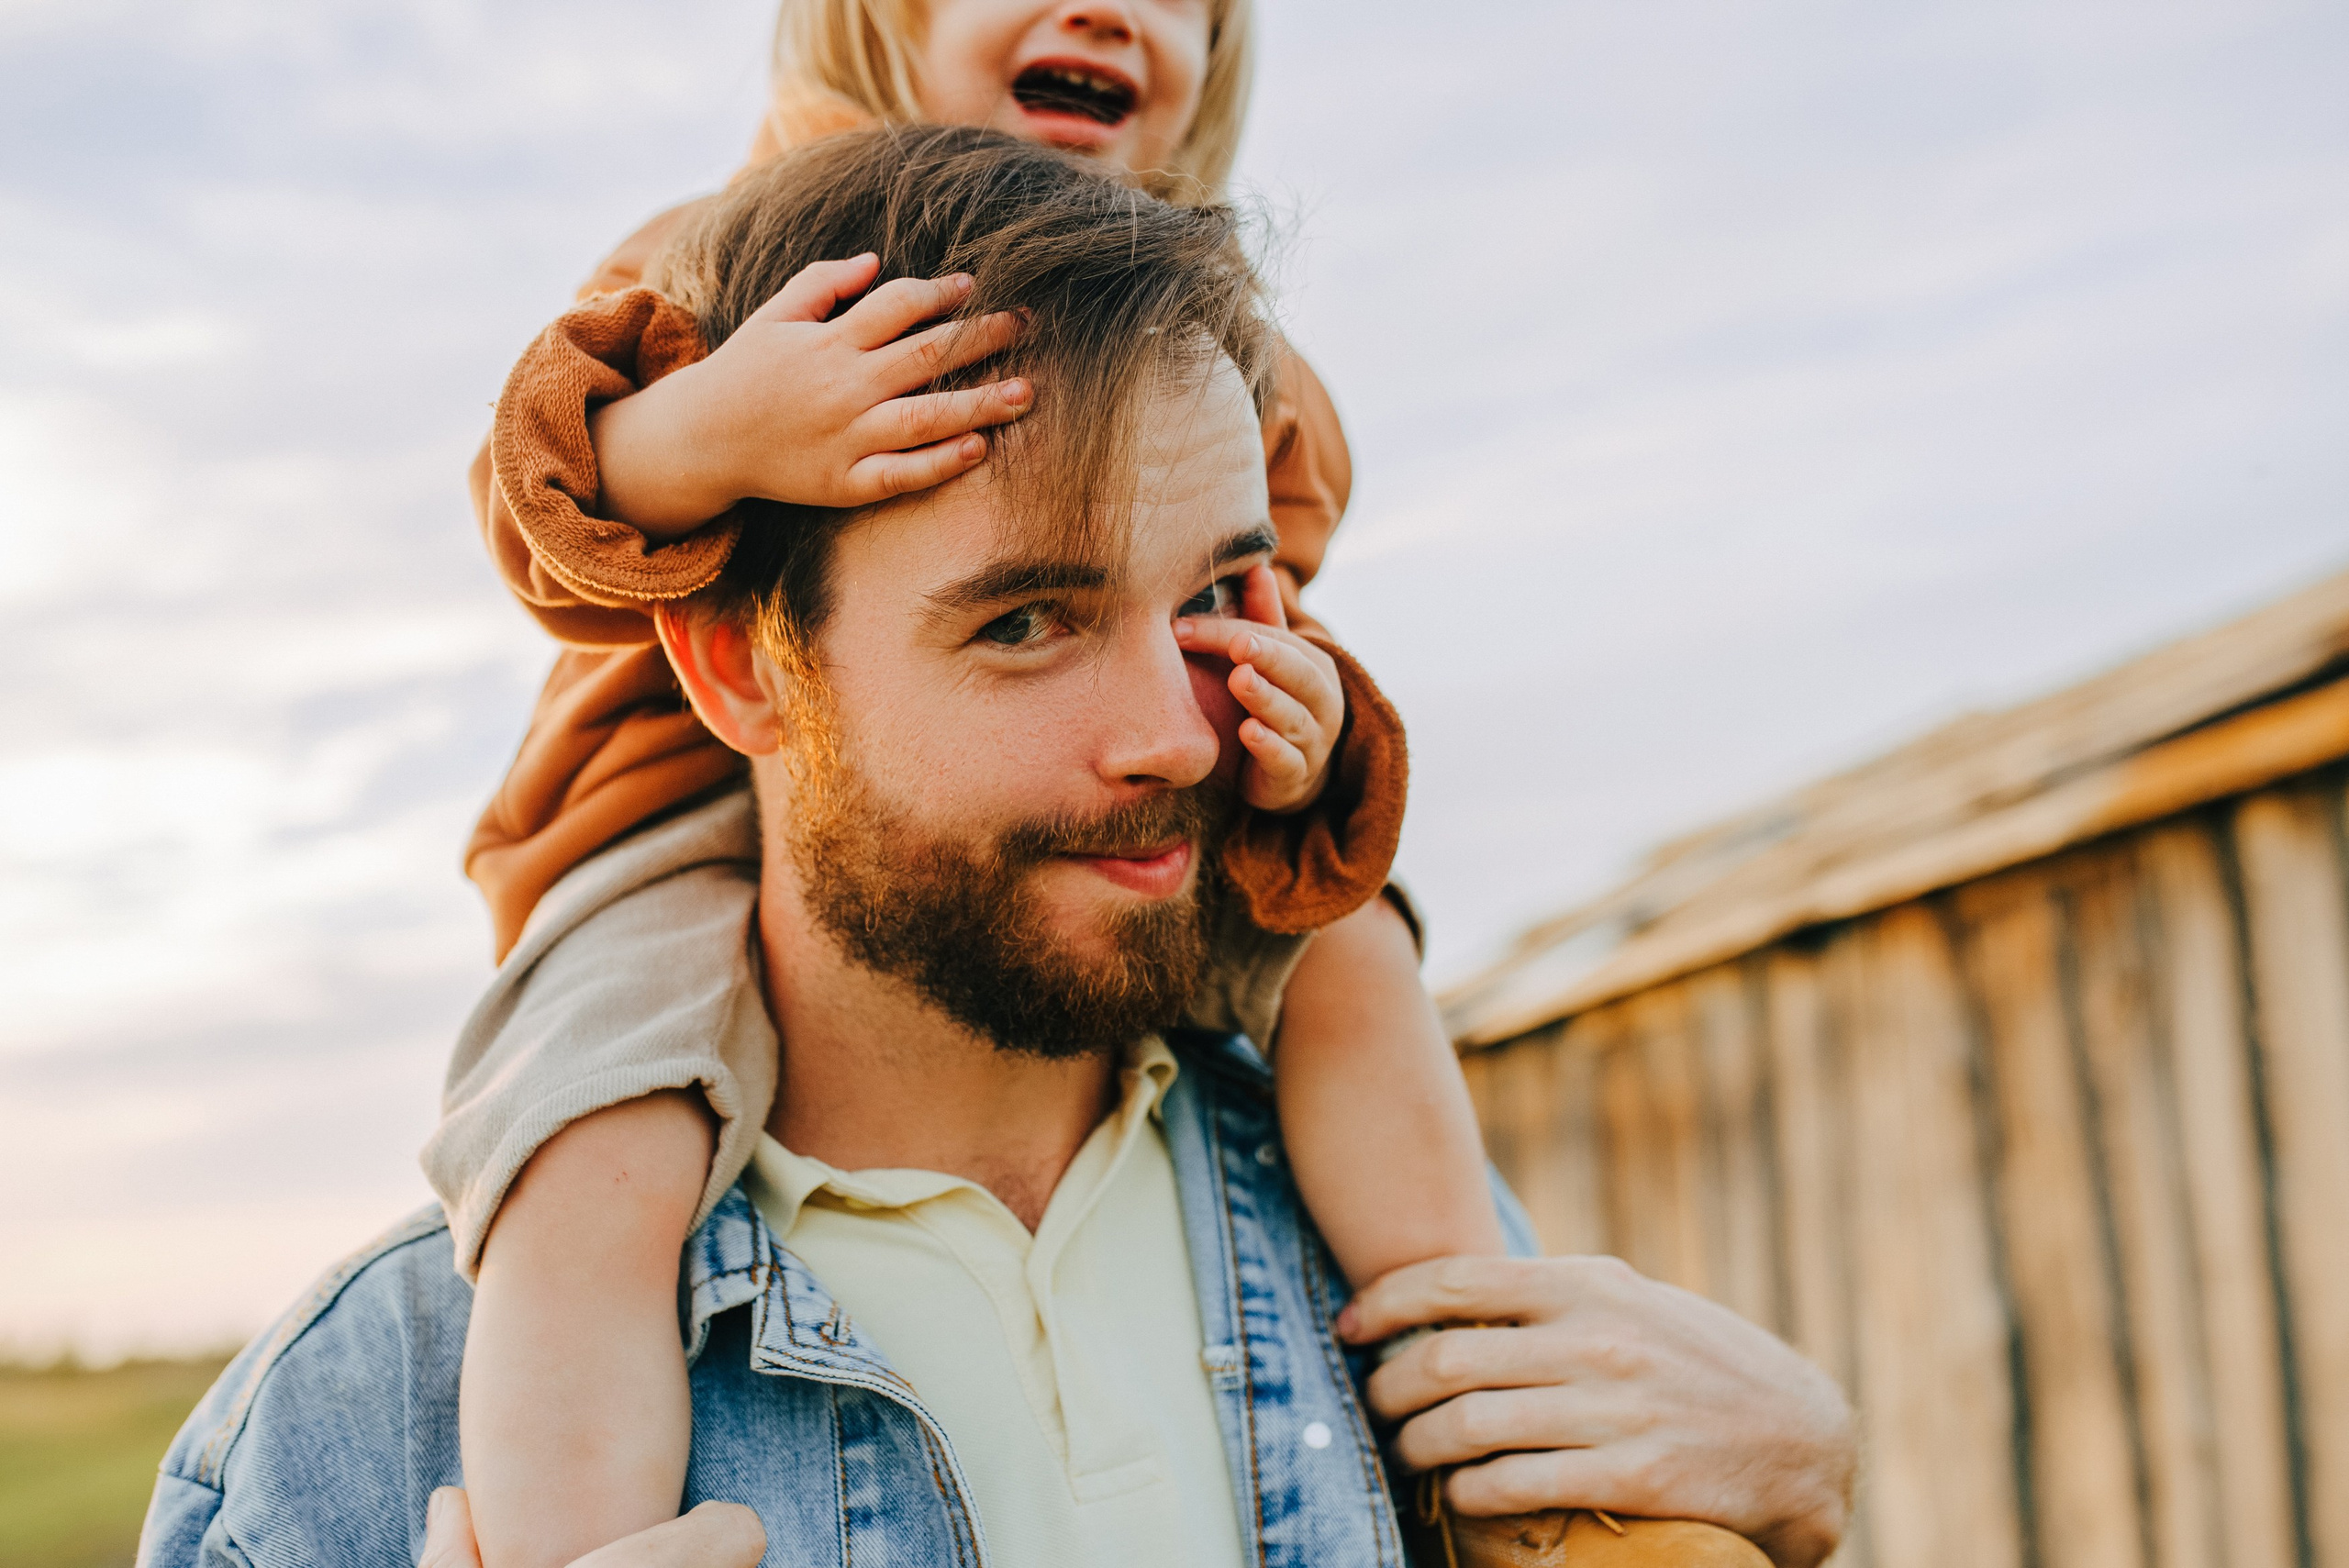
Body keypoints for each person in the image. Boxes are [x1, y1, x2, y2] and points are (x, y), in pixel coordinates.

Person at [140, 129, 1855, 1568]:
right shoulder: (360, 1432)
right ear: (742, 667)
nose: (1181, 738)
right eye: (1028, 620)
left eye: (1215, 594)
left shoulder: (1403, 1251)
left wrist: (1800, 1495)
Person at [451, 1, 1506, 1562]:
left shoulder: (1225, 339)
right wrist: (720, 426)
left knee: (1354, 952)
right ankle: (574, 1533)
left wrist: (1311, 726)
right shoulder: (730, 263)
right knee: (598, 1137)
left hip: (1037, 833)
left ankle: (1490, 1387)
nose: (1106, 9)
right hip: (658, 820)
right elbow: (540, 492)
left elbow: (1243, 605)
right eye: (1022, 617)